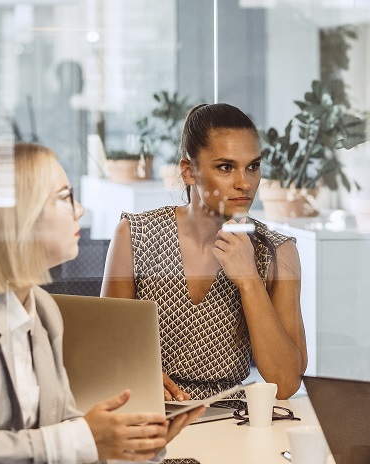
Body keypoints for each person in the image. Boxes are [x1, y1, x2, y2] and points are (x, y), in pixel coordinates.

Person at [0, 143, 203, 463]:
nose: (80, 210)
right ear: (17, 217)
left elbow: (58, 432)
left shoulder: (40, 310)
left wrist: (130, 446)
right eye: (63, 198)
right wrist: (86, 439)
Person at [101, 103, 307, 401]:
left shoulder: (277, 251)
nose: (244, 183)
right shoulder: (134, 235)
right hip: (151, 414)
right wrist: (137, 375)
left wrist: (249, 281)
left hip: (233, 423)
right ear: (189, 171)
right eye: (226, 167)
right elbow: (107, 356)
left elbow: (286, 383)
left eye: (252, 166)